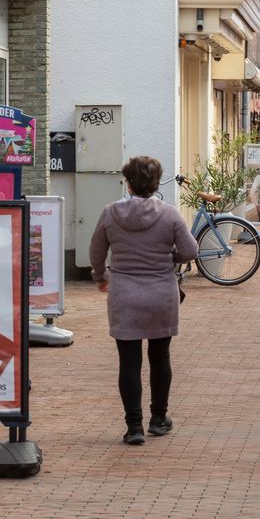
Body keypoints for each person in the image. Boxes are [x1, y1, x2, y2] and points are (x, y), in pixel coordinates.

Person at [90, 156, 198, 446]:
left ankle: (133, 426)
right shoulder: (171, 214)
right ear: (155, 183)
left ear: (128, 182)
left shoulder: (110, 213)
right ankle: (159, 419)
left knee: (129, 361)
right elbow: (190, 250)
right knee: (160, 357)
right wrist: (168, 258)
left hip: (124, 293)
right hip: (161, 294)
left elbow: (96, 252)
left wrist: (101, 277)